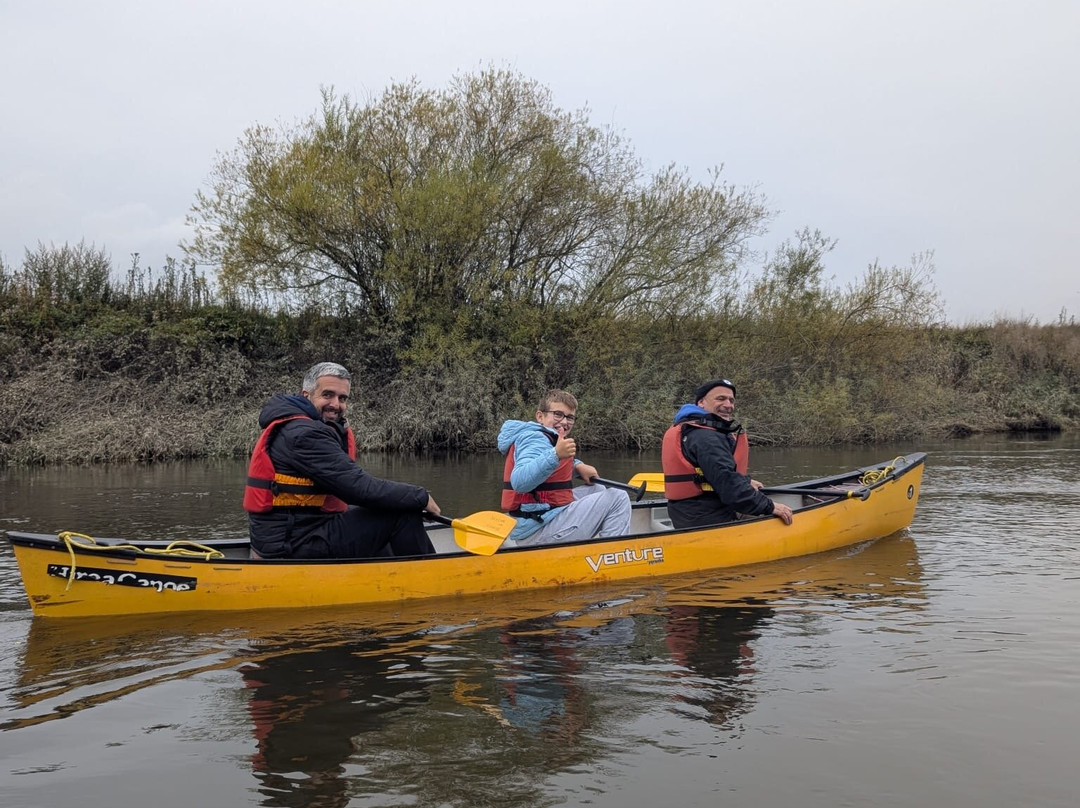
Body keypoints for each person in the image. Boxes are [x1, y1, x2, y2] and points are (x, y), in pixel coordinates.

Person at [244, 362, 439, 559]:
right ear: (307, 395)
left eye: (342, 398)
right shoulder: (303, 434)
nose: (335, 405)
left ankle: (385, 575)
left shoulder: (301, 425)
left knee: (386, 506)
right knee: (400, 514)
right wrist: (420, 497)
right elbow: (358, 487)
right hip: (292, 546)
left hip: (296, 533)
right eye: (327, 395)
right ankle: (430, 580)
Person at [497, 390, 632, 546]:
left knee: (597, 488)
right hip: (537, 531)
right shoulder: (533, 438)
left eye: (570, 417)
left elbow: (547, 465)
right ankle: (612, 556)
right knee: (618, 497)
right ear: (540, 416)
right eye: (558, 414)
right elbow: (519, 482)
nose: (564, 421)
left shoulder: (543, 436)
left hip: (543, 517)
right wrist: (555, 454)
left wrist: (577, 465)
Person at [661, 378, 793, 529]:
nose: (728, 405)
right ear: (701, 403)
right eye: (720, 399)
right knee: (774, 516)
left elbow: (715, 473)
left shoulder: (693, 428)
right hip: (707, 518)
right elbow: (729, 485)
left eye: (731, 400)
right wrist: (770, 506)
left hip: (690, 513)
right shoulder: (705, 437)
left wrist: (744, 481)